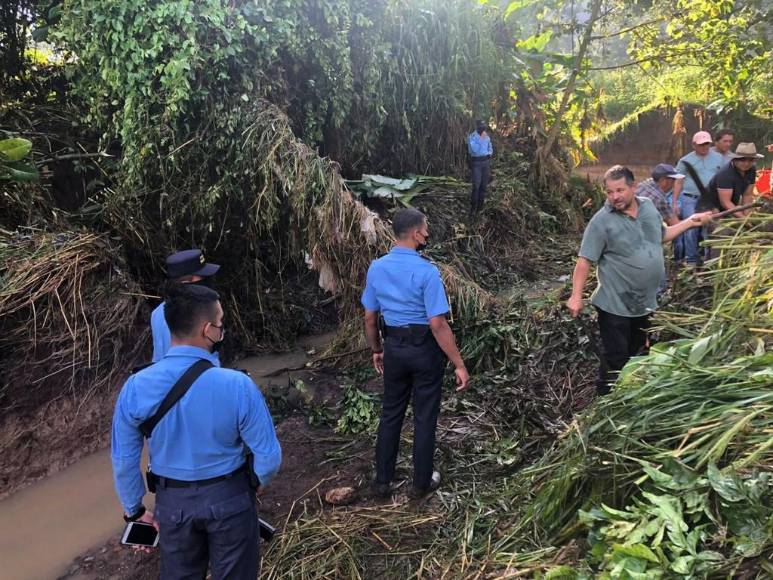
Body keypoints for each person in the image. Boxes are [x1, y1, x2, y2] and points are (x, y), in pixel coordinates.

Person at [111, 284, 281, 578]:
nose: (221, 330)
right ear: (207, 330)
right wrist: (256, 483)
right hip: (230, 498)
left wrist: (135, 510)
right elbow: (269, 456)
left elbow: (124, 459)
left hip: (172, 505)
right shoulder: (238, 385)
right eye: (220, 323)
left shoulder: (135, 387)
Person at [566, 165, 712, 395]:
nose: (615, 196)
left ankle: (629, 399)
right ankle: (605, 405)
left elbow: (662, 236)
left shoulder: (648, 207)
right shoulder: (601, 221)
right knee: (616, 359)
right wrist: (576, 296)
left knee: (637, 356)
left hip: (644, 302)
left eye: (620, 190)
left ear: (634, 187)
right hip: (615, 305)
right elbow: (584, 260)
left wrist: (690, 222)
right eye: (609, 192)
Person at [362, 208, 470, 498]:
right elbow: (437, 324)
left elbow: (370, 317)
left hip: (394, 349)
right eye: (425, 229)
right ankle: (421, 481)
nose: (427, 233)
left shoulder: (377, 268)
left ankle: (382, 480)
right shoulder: (427, 271)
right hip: (424, 351)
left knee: (391, 413)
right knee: (424, 416)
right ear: (414, 233)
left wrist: (377, 349)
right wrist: (458, 363)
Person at [151, 249, 219, 362]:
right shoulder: (201, 311)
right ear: (189, 282)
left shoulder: (157, 312)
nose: (208, 281)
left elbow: (157, 357)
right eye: (203, 277)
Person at [675, 131, 723, 266]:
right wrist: (675, 202)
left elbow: (721, 179)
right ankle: (691, 259)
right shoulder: (685, 161)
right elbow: (678, 182)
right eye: (701, 145)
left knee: (710, 227)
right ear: (694, 145)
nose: (704, 147)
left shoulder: (718, 158)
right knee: (691, 227)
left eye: (707, 144)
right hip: (690, 198)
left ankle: (709, 258)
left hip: (709, 199)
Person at [699, 142, 762, 216]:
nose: (746, 163)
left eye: (750, 160)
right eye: (742, 160)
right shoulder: (725, 173)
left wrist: (747, 216)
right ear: (735, 159)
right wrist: (742, 218)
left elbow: (747, 195)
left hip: (729, 208)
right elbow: (725, 202)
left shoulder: (751, 170)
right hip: (709, 207)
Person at [467, 120, 493, 217]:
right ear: (477, 126)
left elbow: (490, 147)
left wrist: (489, 153)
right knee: (476, 186)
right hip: (476, 163)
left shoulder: (486, 136)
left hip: (486, 163)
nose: (484, 126)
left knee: (484, 186)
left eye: (484, 124)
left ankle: (480, 208)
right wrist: (481, 138)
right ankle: (473, 209)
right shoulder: (472, 137)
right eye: (481, 125)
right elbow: (474, 150)